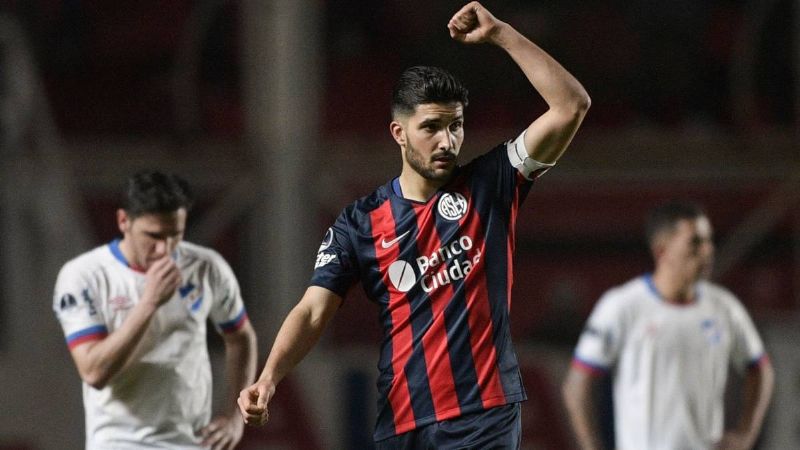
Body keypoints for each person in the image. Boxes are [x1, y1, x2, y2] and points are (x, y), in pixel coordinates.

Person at [238, 2, 590, 447]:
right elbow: (312, 309)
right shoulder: (361, 223)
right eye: (432, 127)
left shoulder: (491, 183)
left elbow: (571, 105)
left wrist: (501, 34)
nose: (447, 141)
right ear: (398, 133)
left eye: (456, 126)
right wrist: (268, 378)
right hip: (403, 422)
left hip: (485, 417)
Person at [53, 170, 258, 449]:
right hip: (119, 442)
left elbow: (241, 337)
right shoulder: (85, 275)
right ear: (124, 221)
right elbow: (93, 372)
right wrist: (149, 303)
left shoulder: (206, 267)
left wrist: (233, 417)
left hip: (193, 442)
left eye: (175, 235)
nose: (165, 249)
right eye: (154, 235)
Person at [562, 201, 775, 450]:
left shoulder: (724, 308)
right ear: (662, 251)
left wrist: (745, 434)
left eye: (709, 241)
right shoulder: (622, 306)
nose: (708, 250)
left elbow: (761, 370)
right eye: (695, 242)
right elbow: (576, 385)